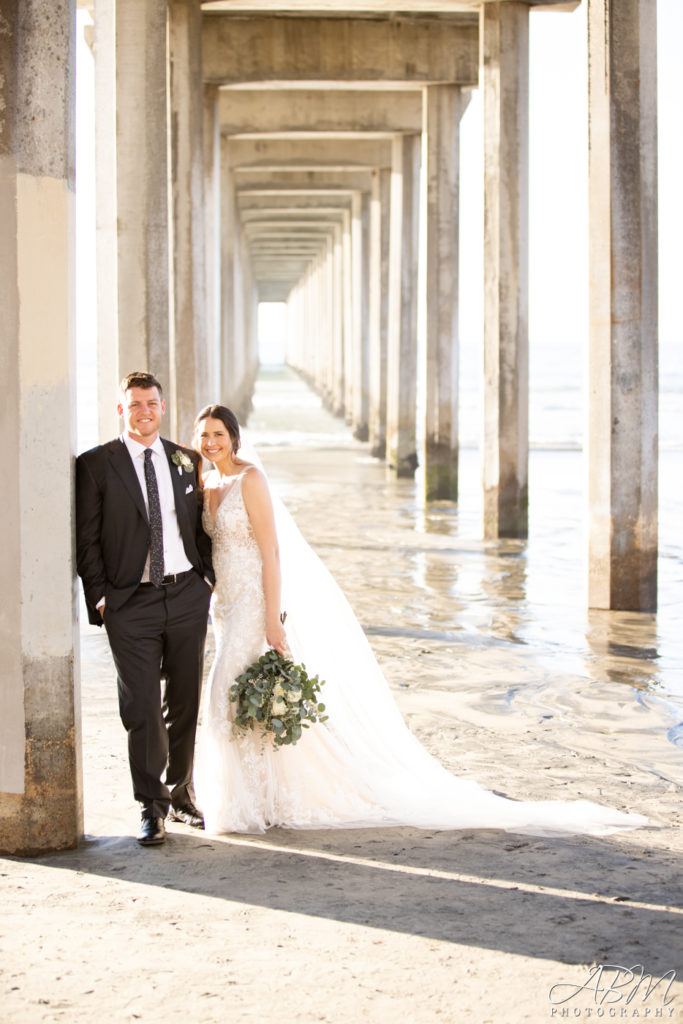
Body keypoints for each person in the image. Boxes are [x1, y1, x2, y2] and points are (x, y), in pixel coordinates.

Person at [193, 404, 647, 838]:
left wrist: (274, 618)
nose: (211, 442)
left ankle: (245, 802)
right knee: (242, 698)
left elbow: (272, 552)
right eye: (204, 435)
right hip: (225, 606)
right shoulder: (208, 482)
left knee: (227, 692)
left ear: (235, 437)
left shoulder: (252, 479)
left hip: (254, 603)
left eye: (219, 434)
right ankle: (261, 797)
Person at [77, 372, 214, 846]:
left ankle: (181, 793)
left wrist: (207, 580)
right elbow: (87, 539)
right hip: (129, 602)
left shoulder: (185, 459)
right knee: (141, 707)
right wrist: (101, 598)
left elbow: (200, 526)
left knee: (185, 700)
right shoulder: (96, 464)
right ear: (122, 409)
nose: (144, 412)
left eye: (151, 403)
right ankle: (151, 807)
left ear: (162, 406)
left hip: (186, 595)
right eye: (134, 404)